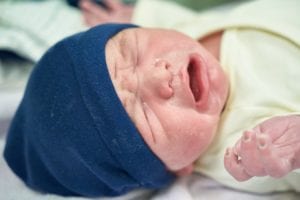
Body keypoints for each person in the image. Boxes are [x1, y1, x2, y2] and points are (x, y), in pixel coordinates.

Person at [3, 0, 300, 197]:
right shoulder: (245, 153)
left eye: (131, 54)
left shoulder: (180, 33)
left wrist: (131, 17)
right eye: (141, 112)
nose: (161, 77)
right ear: (178, 167)